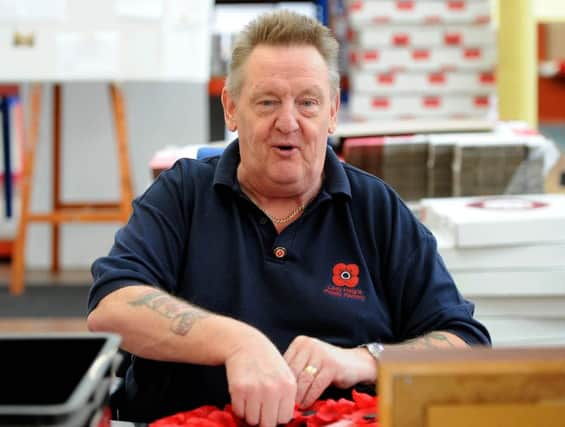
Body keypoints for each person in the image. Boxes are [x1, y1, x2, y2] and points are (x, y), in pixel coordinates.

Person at [87, 9, 491, 427]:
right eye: (267, 102)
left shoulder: (376, 210)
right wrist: (237, 343)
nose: (288, 122)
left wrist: (363, 360)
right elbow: (111, 306)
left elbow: (466, 342)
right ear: (231, 108)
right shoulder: (183, 195)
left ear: (332, 112)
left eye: (308, 103)